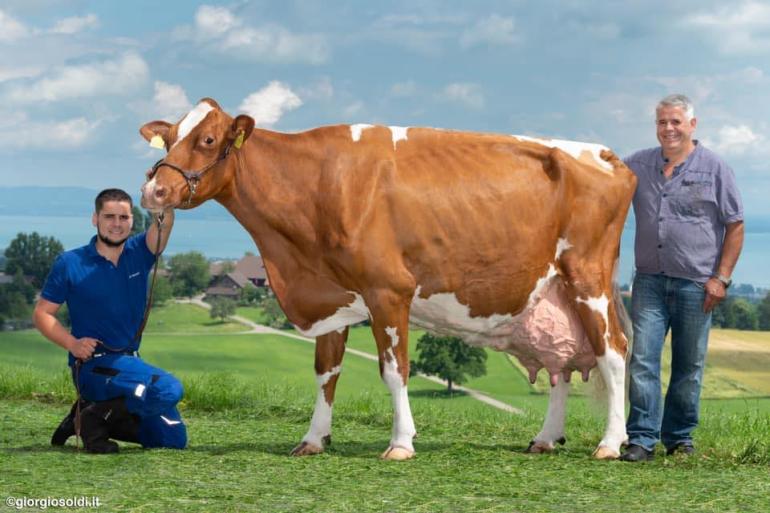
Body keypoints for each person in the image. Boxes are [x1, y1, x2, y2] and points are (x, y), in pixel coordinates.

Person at [620, 94, 744, 462]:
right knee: (642, 359)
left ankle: (678, 439)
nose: (668, 129)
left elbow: (735, 226)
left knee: (688, 366)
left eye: (676, 122)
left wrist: (721, 279)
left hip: (696, 284)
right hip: (649, 282)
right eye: (662, 122)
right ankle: (641, 439)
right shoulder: (638, 165)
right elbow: (604, 178)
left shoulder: (715, 168)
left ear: (692, 124)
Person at [33, 188, 186, 453]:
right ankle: (93, 417)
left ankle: (89, 415)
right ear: (95, 219)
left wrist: (160, 188)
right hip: (92, 367)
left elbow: (164, 223)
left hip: (129, 363)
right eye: (109, 217)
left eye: (124, 217)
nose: (117, 224)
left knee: (172, 440)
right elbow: (42, 314)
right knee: (169, 388)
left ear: (132, 220)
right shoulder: (70, 262)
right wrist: (72, 343)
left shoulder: (140, 250)